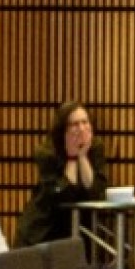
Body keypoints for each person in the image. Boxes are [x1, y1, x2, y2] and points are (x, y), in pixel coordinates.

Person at [17, 101, 110, 247]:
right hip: (44, 230)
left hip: (77, 229)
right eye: (74, 124)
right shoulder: (46, 152)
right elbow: (64, 194)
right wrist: (72, 157)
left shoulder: (95, 148)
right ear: (63, 130)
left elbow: (95, 192)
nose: (81, 128)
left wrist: (82, 156)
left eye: (85, 122)